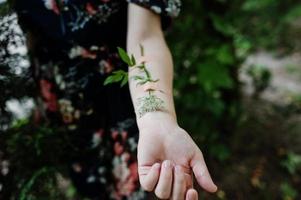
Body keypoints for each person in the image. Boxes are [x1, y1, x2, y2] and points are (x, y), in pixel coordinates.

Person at [13, 0, 217, 199]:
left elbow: (145, 39)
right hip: (59, 96)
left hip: (121, 100)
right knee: (85, 180)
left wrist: (157, 118)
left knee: (125, 184)